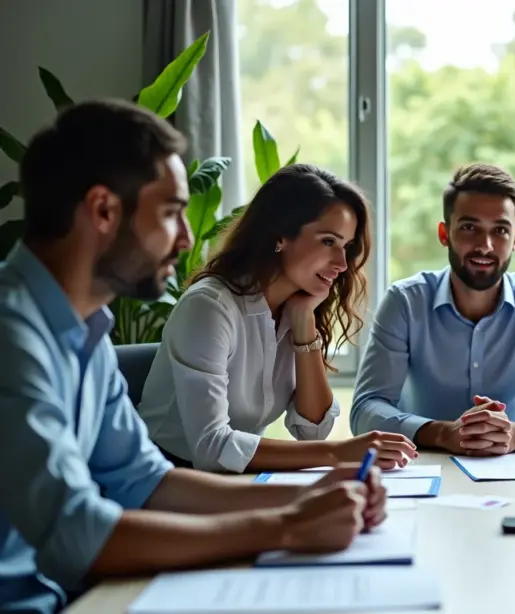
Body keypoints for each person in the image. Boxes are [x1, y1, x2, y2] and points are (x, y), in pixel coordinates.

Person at [0, 100, 386, 614]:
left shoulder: (86, 332)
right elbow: (76, 533)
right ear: (103, 210)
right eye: (169, 212)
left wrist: (318, 493)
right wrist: (286, 524)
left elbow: (145, 481)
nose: (186, 238)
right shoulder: (12, 336)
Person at [136, 164, 417, 473]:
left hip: (234, 480)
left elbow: (312, 432)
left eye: (347, 247)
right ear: (280, 235)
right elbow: (212, 447)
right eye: (328, 242)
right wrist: (339, 452)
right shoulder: (210, 307)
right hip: (165, 479)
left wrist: (303, 323)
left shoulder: (295, 307)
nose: (341, 263)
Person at [350, 163, 515, 454]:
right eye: (470, 227)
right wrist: (442, 433)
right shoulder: (405, 302)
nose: (486, 246)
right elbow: (365, 410)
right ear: (445, 234)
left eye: (500, 231)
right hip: (422, 467)